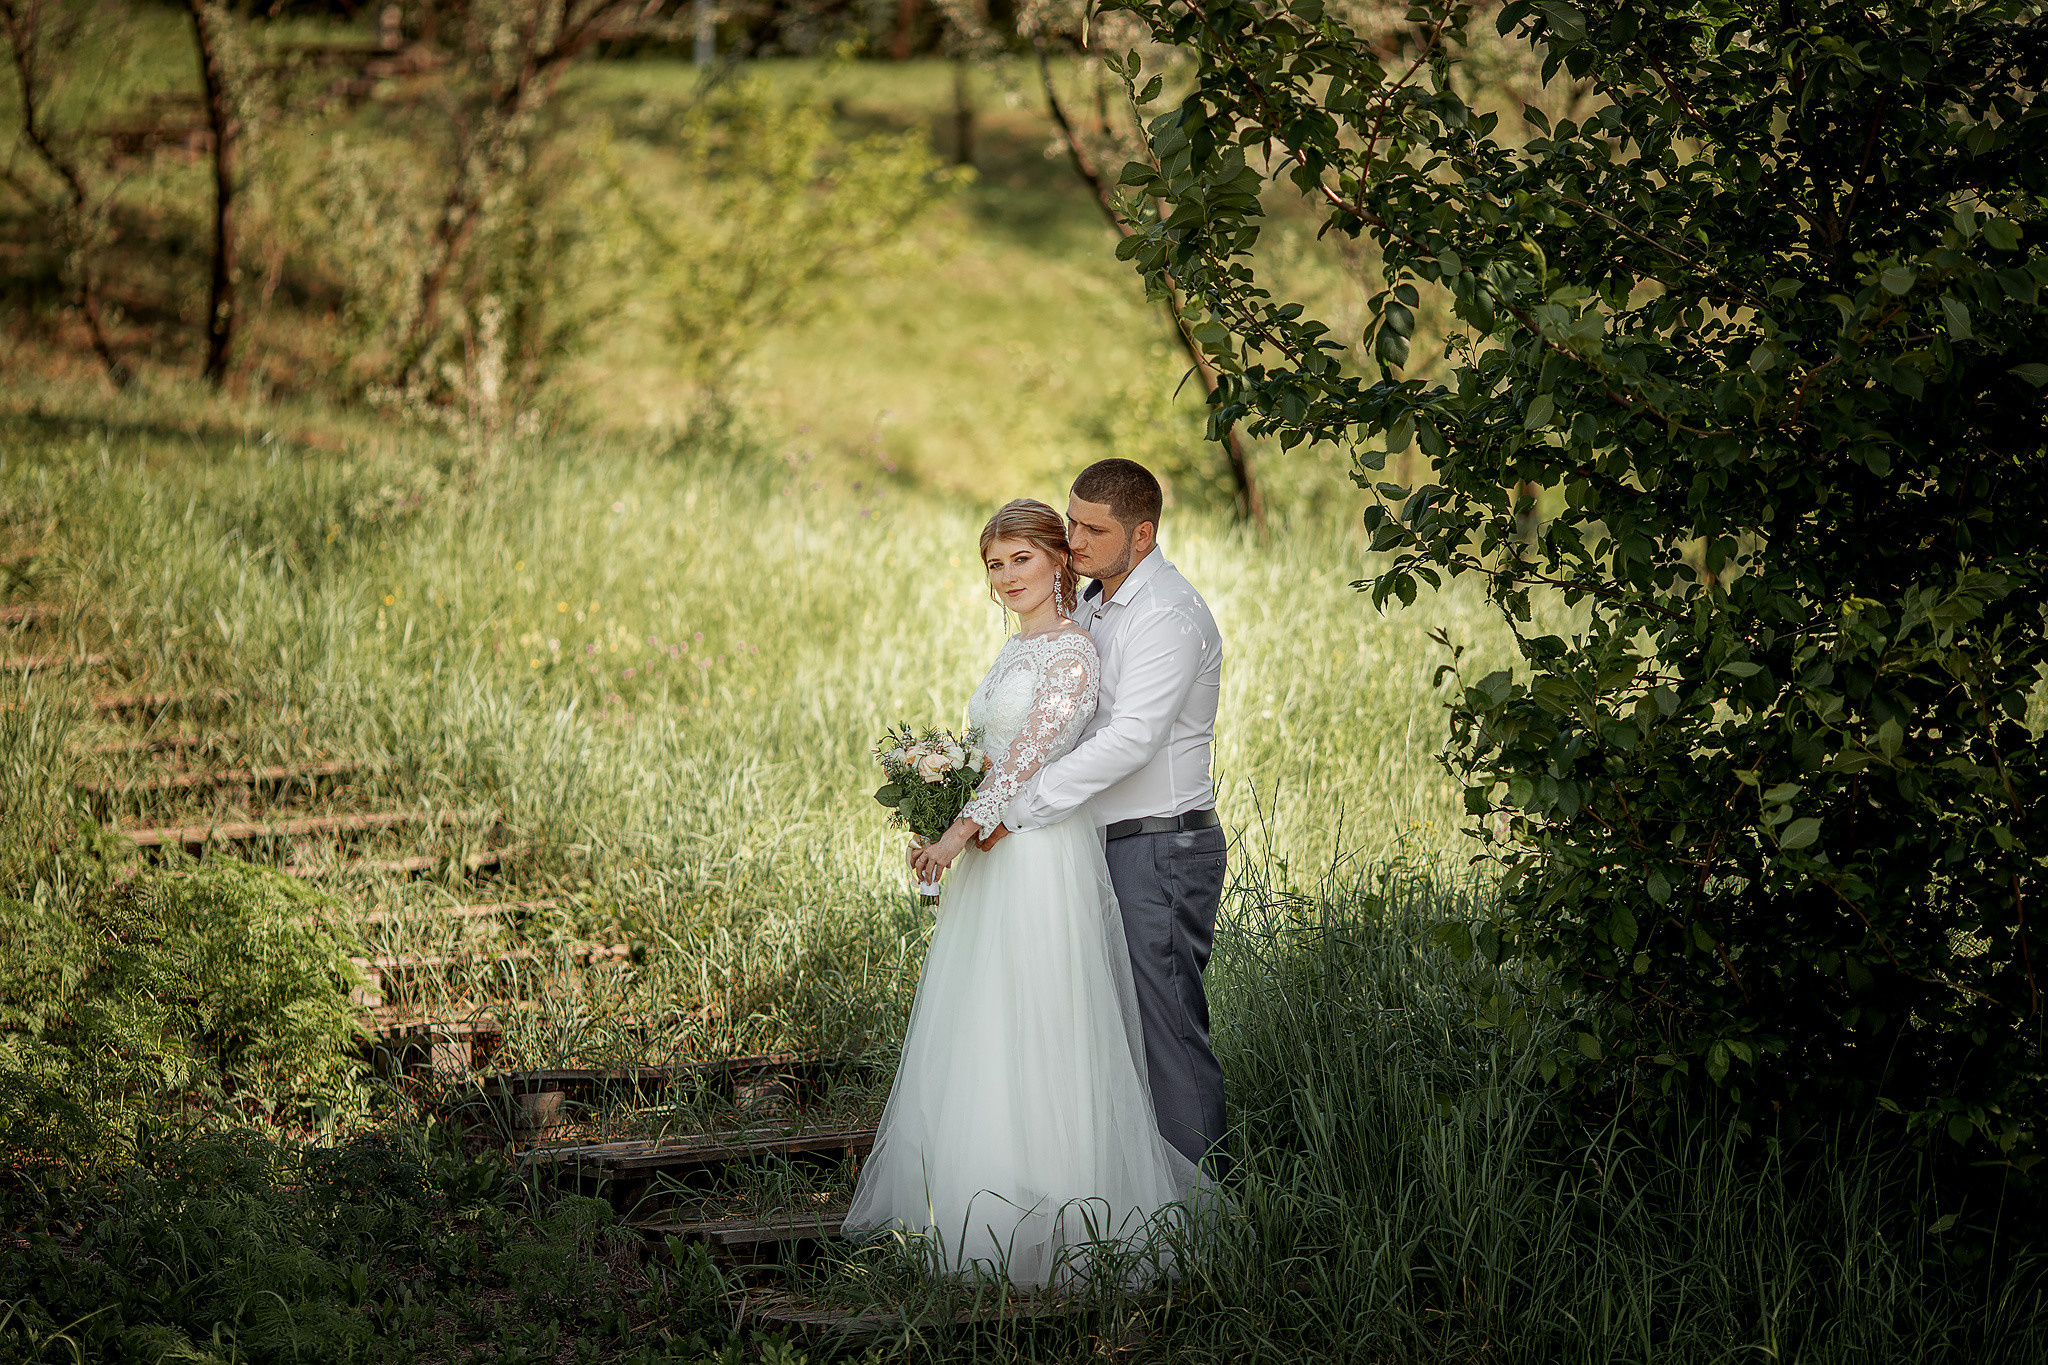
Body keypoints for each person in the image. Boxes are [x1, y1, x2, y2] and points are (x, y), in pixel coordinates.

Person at [841, 497, 1203, 1289]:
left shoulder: (1072, 652)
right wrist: (940, 805)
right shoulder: (1014, 649)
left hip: (1037, 854)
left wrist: (956, 833)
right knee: (987, 1020)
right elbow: (985, 758)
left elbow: (1024, 762)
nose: (1007, 577)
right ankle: (981, 1212)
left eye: (1022, 559)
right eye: (995, 565)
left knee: (1042, 1019)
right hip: (992, 853)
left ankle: (1059, 1220)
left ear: (1058, 560)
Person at [977, 459, 1228, 1177]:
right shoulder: (1091, 605)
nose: (1075, 538)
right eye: (1072, 521)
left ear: (1142, 535)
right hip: (1092, 844)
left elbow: (1131, 739)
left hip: (1159, 847)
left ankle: (1201, 1215)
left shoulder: (1167, 615)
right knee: (1107, 1031)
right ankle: (1126, 1196)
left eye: (1095, 529)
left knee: (1165, 1031)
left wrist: (1018, 807)